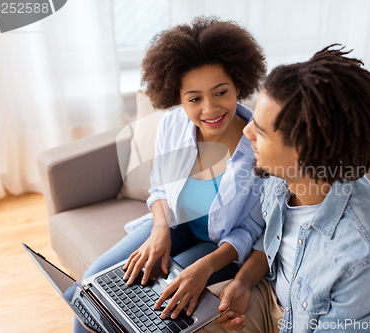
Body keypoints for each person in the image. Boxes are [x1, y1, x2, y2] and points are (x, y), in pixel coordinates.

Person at [73, 17, 267, 333]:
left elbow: (251, 231)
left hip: (221, 247)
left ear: (239, 85)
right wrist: (160, 230)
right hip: (173, 223)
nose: (210, 109)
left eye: (221, 92)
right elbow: (159, 188)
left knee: (163, 296)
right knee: (92, 285)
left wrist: (205, 267)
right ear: (178, 98)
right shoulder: (173, 125)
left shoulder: (262, 149)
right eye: (194, 99)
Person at [205, 45, 370, 333]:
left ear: (305, 153)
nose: (247, 132)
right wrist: (243, 282)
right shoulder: (279, 175)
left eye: (260, 131)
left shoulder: (367, 257)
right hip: (265, 299)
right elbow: (273, 239)